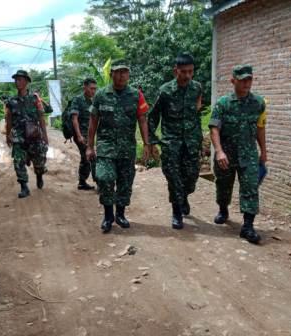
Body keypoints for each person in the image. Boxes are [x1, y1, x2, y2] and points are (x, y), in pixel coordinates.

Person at [86, 59, 150, 233]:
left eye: (125, 72)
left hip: (127, 148)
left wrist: (146, 143)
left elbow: (142, 119)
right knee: (104, 179)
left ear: (128, 74)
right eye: (118, 72)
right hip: (106, 146)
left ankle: (120, 214)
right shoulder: (100, 95)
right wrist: (89, 146)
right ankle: (108, 216)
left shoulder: (136, 95)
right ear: (111, 73)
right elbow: (93, 122)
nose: (122, 75)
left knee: (125, 182)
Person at [209, 64, 267, 244]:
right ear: (233, 80)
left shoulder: (258, 103)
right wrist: (219, 151)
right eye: (242, 80)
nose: (246, 83)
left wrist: (264, 151)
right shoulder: (223, 104)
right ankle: (223, 209)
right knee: (224, 186)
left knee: (250, 188)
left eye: (249, 79)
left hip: (249, 154)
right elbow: (214, 128)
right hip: (226, 154)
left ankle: (248, 227)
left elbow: (260, 128)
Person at [148, 52, 203, 230]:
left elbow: (196, 114)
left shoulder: (197, 88)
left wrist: (200, 141)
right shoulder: (165, 91)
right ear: (175, 71)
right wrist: (152, 141)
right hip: (171, 143)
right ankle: (177, 212)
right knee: (174, 178)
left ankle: (184, 196)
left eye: (190, 71)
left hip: (192, 142)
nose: (187, 75)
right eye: (184, 72)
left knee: (191, 178)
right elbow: (153, 117)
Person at [5, 70, 49, 198]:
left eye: (20, 79)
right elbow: (9, 119)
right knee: (18, 161)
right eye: (16, 79)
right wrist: (8, 135)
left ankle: (39, 175)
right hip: (19, 137)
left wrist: (44, 135)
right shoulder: (11, 101)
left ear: (26, 82)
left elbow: (41, 117)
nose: (17, 82)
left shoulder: (35, 99)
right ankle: (24, 187)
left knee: (39, 162)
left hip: (35, 136)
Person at [70, 78, 98, 190]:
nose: (93, 91)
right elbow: (74, 118)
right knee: (92, 157)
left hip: (89, 135)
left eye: (95, 89)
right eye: (91, 88)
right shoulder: (78, 100)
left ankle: (82, 182)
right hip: (81, 135)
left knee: (85, 158)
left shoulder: (92, 101)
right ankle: (101, 184)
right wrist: (79, 135)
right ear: (84, 88)